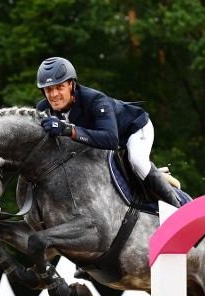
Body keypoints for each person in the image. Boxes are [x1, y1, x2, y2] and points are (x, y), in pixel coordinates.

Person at [35, 56, 184, 209]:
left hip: (134, 130)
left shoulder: (95, 100)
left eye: (59, 87)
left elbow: (110, 140)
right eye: (49, 90)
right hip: (101, 142)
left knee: (137, 161)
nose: (54, 95)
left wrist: (68, 129)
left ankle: (178, 208)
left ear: (71, 85)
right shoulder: (44, 109)